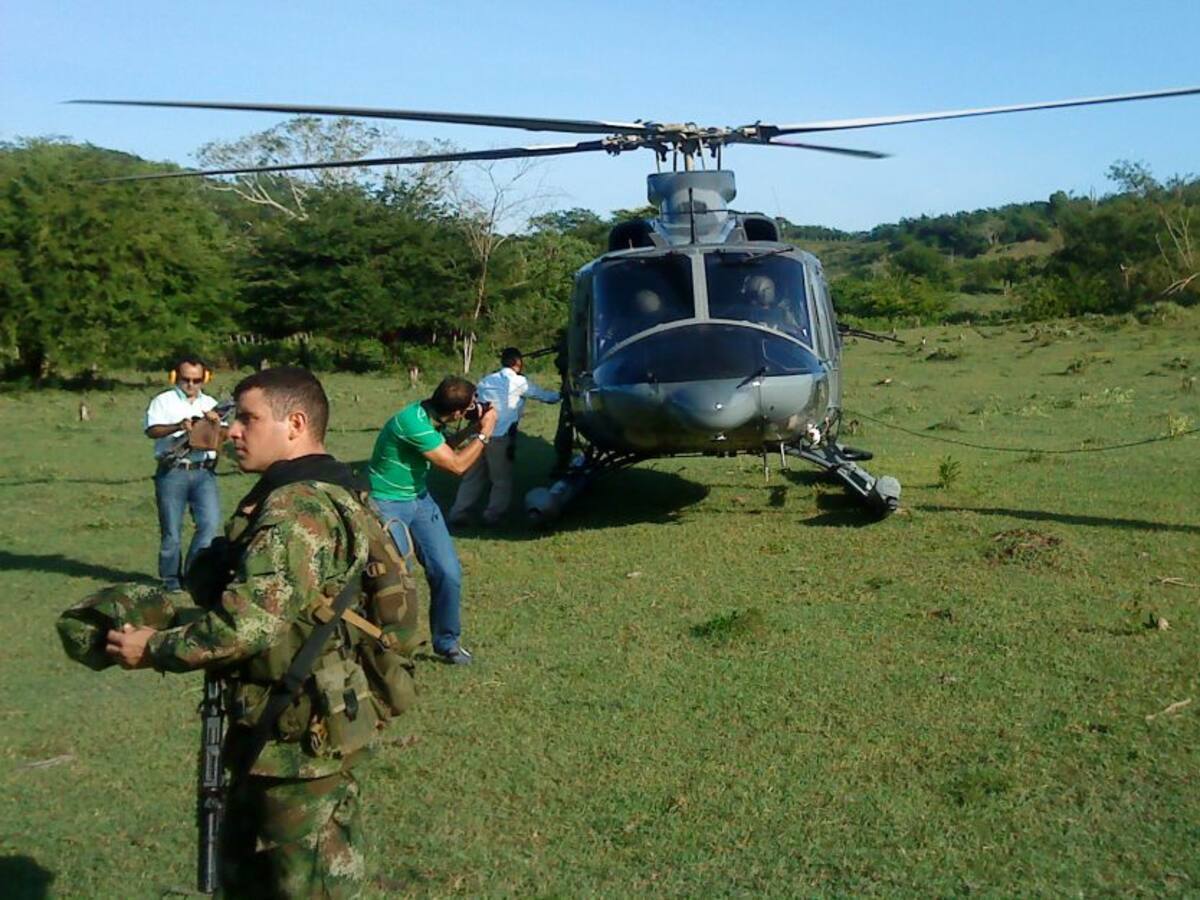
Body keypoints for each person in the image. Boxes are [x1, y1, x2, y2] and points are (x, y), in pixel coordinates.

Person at [107, 367, 377, 897]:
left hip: (299, 737)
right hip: (281, 719)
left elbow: (248, 622)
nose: (231, 430)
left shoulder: (298, 507)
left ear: (295, 423)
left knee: (307, 882)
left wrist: (154, 648)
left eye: (248, 419)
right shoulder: (308, 489)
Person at [368, 375, 497, 665]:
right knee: (398, 577)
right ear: (455, 413)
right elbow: (456, 465)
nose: (475, 408)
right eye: (470, 406)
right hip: (387, 502)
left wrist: (472, 428)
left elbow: (442, 446)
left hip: (420, 500)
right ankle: (387, 646)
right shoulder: (411, 422)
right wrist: (485, 433)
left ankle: (447, 643)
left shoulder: (427, 417)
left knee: (448, 571)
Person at [449, 347, 561, 526]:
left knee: (473, 477)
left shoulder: (486, 380)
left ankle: (458, 512)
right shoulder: (519, 382)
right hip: (500, 436)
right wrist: (563, 394)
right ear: (518, 363)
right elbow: (546, 397)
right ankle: (493, 515)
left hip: (479, 434)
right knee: (501, 480)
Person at [144, 356, 222, 592]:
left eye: (196, 380)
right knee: (172, 531)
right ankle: (170, 578)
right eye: (186, 379)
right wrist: (179, 426)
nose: (191, 385)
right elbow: (152, 430)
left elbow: (222, 438)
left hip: (203, 472)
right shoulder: (163, 401)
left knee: (209, 525)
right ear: (175, 377)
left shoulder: (211, 403)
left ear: (205, 379)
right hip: (173, 472)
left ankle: (193, 573)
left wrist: (216, 425)